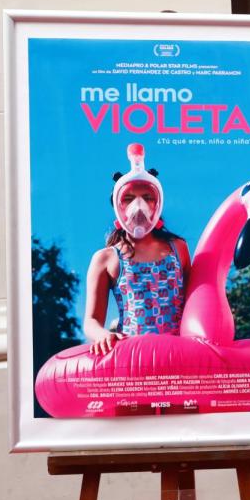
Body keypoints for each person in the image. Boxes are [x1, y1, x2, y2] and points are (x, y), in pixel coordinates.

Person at [83, 143, 191, 356]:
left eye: (147, 197)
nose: (138, 206)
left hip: (179, 354)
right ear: (117, 206)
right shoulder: (106, 259)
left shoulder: (178, 248)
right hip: (134, 357)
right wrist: (102, 335)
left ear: (158, 204)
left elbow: (196, 302)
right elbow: (91, 321)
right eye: (129, 199)